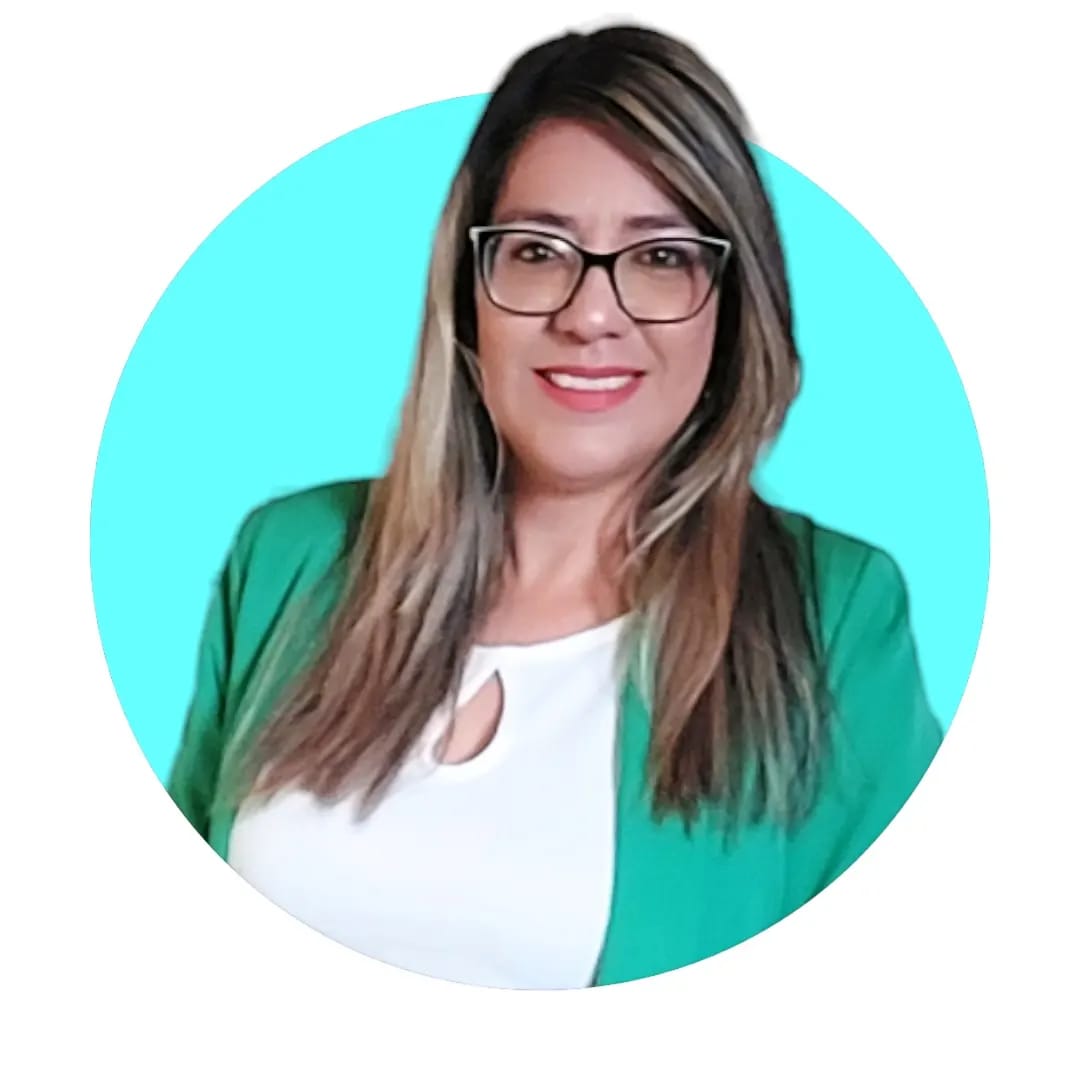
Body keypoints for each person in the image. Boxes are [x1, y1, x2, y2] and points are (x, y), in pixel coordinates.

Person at [167, 22, 942, 990]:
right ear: (470, 291)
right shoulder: (289, 556)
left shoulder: (837, 616)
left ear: (731, 303)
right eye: (538, 250)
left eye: (661, 257)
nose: (590, 313)